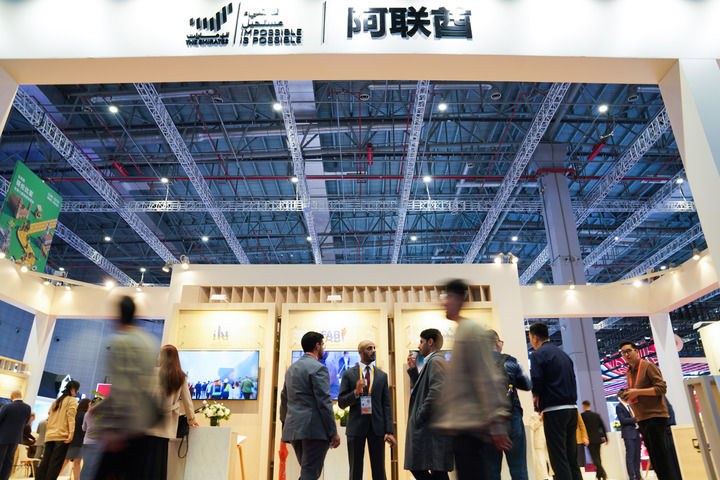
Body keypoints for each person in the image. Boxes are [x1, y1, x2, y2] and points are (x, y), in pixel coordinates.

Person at [433, 279, 511, 480]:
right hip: (461, 426)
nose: (444, 302)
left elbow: (486, 377)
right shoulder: (462, 331)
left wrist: (497, 423)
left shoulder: (471, 331)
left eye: (448, 297)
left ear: (461, 299)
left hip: (471, 426)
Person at [93, 296, 159, 480]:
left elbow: (121, 387)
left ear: (119, 315)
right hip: (143, 423)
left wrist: (114, 430)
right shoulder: (149, 342)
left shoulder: (119, 343)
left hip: (123, 426)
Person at [280, 331, 341, 480]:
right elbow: (324, 402)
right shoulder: (319, 368)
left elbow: (284, 399)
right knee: (310, 474)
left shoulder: (291, 369)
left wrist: (285, 425)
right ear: (317, 345)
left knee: (307, 472)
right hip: (313, 430)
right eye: (322, 345)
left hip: (294, 430)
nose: (323, 348)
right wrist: (333, 432)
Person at [528, 322, 581, 480]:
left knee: (558, 458)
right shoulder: (564, 355)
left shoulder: (538, 355)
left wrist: (536, 398)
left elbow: (537, 380)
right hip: (572, 409)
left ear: (535, 337)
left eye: (530, 337)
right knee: (572, 458)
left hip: (554, 410)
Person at [338, 340, 396, 480]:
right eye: (369, 348)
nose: (373, 350)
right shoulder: (348, 374)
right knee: (355, 471)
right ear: (360, 352)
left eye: (374, 348)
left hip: (377, 428)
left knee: (379, 471)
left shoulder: (382, 376)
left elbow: (386, 405)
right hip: (356, 428)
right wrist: (356, 392)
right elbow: (341, 403)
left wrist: (389, 431)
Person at [618, 340, 675, 480]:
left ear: (636, 351)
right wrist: (629, 395)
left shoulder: (647, 366)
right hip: (642, 419)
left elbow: (661, 388)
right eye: (623, 353)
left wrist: (637, 392)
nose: (626, 355)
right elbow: (636, 393)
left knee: (661, 458)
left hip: (655, 417)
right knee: (655, 460)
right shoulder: (629, 372)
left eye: (628, 351)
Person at [404, 328, 453, 480]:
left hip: (430, 429)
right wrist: (413, 371)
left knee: (424, 468)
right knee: (437, 472)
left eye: (421, 342)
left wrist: (420, 415)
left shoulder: (436, 361)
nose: (419, 346)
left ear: (430, 342)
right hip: (429, 428)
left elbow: (436, 393)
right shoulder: (433, 361)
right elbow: (423, 389)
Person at [146, 344, 199, 479]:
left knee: (147, 462)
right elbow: (187, 401)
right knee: (161, 460)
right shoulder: (180, 376)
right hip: (167, 424)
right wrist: (191, 420)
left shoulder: (153, 373)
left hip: (150, 422)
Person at [489, 329, 532, 480]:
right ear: (496, 342)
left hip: (488, 422)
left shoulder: (477, 365)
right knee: (519, 469)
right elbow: (527, 385)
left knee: (491, 471)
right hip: (512, 417)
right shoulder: (511, 361)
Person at [36, 380, 80, 480]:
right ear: (73, 389)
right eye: (77, 390)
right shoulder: (72, 400)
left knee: (45, 461)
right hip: (61, 436)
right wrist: (71, 433)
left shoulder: (56, 402)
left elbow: (49, 417)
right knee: (55, 464)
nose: (77, 392)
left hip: (50, 436)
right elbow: (71, 417)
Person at [0, 389, 32, 480]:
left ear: (11, 397)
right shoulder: (27, 408)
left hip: (3, 437)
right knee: (9, 461)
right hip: (16, 438)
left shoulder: (7, 406)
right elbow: (26, 422)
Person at [616, 389, 642, 480]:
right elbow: (623, 420)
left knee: (637, 456)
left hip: (636, 433)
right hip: (628, 434)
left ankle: (638, 475)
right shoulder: (619, 407)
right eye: (626, 394)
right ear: (622, 396)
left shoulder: (630, 406)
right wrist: (636, 419)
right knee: (630, 456)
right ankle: (632, 476)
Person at [62, 398, 90, 480]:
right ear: (86, 405)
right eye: (89, 405)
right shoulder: (85, 415)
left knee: (69, 461)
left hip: (72, 440)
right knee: (73, 462)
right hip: (79, 442)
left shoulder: (76, 414)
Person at [581, 400, 608, 480]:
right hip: (598, 439)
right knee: (598, 456)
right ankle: (599, 475)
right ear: (589, 406)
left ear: (583, 406)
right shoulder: (596, 415)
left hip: (589, 440)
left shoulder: (582, 416)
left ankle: (603, 474)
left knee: (594, 458)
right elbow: (602, 426)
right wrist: (606, 438)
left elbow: (582, 428)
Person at [79, 398, 103, 480]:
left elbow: (83, 428)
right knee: (95, 466)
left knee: (86, 464)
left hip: (87, 442)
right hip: (98, 443)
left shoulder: (87, 414)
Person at [529, 413, 550, 480]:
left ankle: (552, 476)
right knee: (541, 462)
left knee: (550, 461)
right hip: (539, 442)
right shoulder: (533, 415)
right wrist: (540, 420)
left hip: (548, 442)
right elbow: (532, 426)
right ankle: (544, 478)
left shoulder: (546, 414)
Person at [575, 410, 588, 478]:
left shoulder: (575, 409)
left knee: (580, 463)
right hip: (566, 441)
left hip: (578, 440)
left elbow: (581, 424)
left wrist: (585, 437)